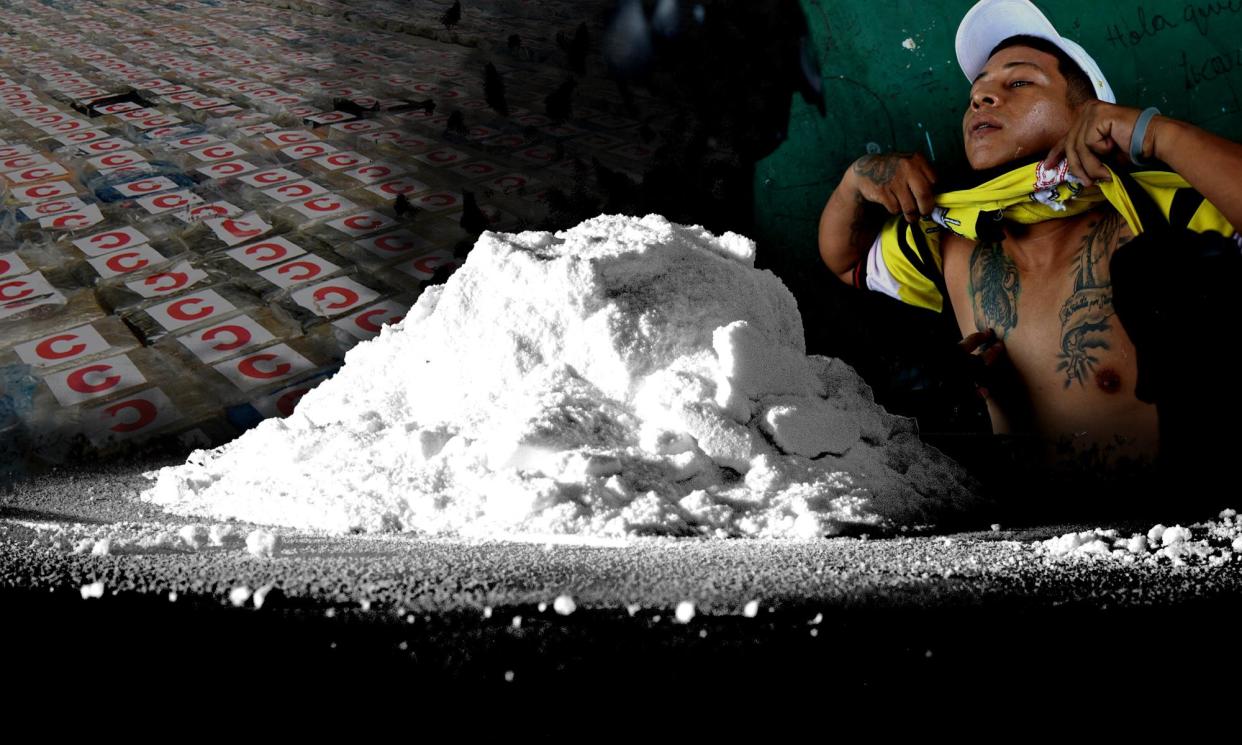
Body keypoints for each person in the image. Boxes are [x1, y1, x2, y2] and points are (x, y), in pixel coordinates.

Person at [817, 0, 1242, 514]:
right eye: (977, 94)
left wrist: (1155, 133)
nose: (983, 97)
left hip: (1169, 535)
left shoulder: (1152, 211)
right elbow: (846, 261)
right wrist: (854, 182)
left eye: (1019, 83)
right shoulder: (949, 234)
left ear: (1092, 113)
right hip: (1021, 541)